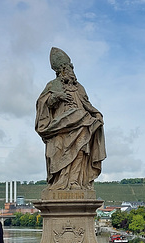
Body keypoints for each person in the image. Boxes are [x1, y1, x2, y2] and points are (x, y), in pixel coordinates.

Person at [35, 47, 106, 190]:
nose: (71, 71)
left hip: (81, 125)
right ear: (61, 71)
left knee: (80, 151)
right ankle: (59, 182)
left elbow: (87, 104)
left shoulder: (79, 87)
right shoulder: (52, 85)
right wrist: (56, 96)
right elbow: (42, 103)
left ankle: (75, 182)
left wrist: (97, 114)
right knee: (56, 152)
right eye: (68, 68)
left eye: (71, 68)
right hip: (59, 128)